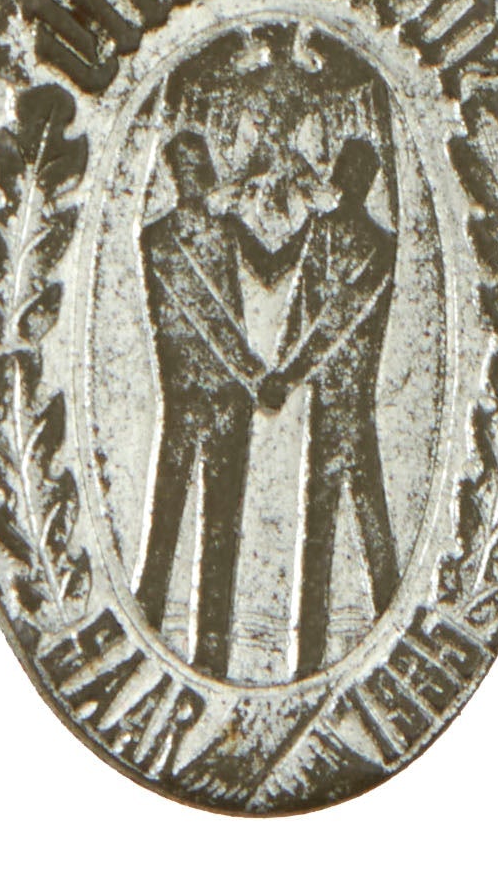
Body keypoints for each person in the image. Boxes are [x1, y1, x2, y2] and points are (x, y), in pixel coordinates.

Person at [134, 130, 302, 677]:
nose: (196, 176)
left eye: (200, 166)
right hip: (189, 398)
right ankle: (144, 632)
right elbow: (207, 319)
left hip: (229, 401)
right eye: (188, 167)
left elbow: (270, 268)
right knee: (166, 522)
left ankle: (213, 656)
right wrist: (258, 375)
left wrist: (310, 226)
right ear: (177, 174)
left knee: (221, 532)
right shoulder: (158, 239)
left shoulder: (226, 227)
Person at [268, 137, 400, 678]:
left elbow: (337, 317)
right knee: (320, 523)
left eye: (357, 171)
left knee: (362, 519)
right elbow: (299, 308)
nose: (350, 180)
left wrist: (286, 375)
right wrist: (280, 369)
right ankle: (307, 657)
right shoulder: (320, 233)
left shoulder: (381, 246)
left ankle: (391, 626)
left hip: (351, 397)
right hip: (326, 398)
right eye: (348, 170)